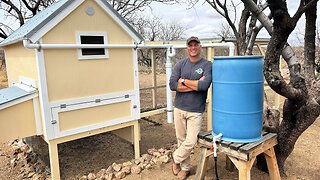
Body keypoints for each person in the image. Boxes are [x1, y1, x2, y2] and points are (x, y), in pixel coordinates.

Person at [169, 36, 212, 179]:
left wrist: (184, 81)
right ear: (187, 48)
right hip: (179, 108)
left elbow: (204, 86)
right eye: (190, 45)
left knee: (191, 140)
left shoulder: (207, 65)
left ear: (200, 47)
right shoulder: (180, 64)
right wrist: (194, 85)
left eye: (196, 45)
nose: (193, 47)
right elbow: (173, 85)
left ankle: (175, 158)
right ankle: (185, 168)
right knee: (181, 139)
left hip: (196, 110)